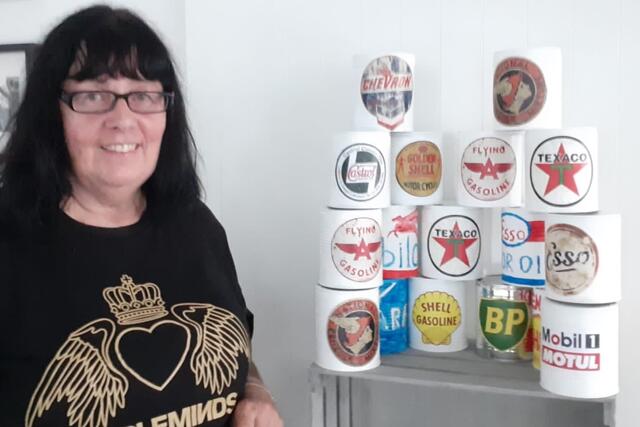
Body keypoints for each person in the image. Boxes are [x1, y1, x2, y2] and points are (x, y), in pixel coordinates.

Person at [0, 5, 283, 427]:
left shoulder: (196, 225)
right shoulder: (9, 244)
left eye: (144, 95)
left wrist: (256, 392)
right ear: (50, 112)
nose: (123, 120)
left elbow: (236, 337)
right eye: (93, 95)